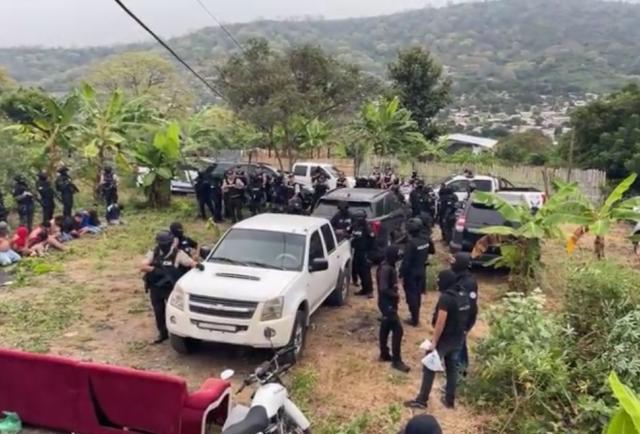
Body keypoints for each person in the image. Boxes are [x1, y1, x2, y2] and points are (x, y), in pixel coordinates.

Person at [405, 270, 470, 410]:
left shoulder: (446, 298)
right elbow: (469, 315)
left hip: (444, 339)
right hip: (458, 338)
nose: (437, 282)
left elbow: (441, 322)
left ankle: (421, 400)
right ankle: (449, 400)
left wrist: (434, 342)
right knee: (452, 368)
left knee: (429, 365)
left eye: (439, 280)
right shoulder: (463, 294)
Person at [140, 230, 202, 344]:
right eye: (162, 244)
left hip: (171, 289)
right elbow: (142, 266)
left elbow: (190, 263)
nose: (164, 246)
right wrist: (156, 270)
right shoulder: (154, 252)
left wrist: (199, 266)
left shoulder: (177, 253)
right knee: (158, 312)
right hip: (156, 288)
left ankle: (180, 335)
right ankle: (162, 334)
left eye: (166, 243)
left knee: (176, 312)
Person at [377, 245, 410, 373]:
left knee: (385, 326)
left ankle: (384, 353)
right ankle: (397, 361)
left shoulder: (387, 266)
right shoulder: (386, 269)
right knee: (398, 330)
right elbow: (383, 288)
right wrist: (395, 295)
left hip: (387, 303)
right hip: (387, 304)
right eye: (397, 256)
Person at [401, 218, 433, 327]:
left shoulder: (411, 243)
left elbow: (406, 261)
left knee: (411, 296)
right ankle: (416, 316)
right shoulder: (426, 239)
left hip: (411, 273)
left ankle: (414, 319)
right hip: (422, 270)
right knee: (418, 294)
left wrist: (401, 273)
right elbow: (432, 251)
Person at [451, 252, 478, 375]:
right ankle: (462, 367)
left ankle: (458, 373)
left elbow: (470, 306)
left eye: (454, 261)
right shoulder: (459, 277)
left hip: (462, 320)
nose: (451, 264)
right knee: (460, 344)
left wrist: (467, 325)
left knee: (458, 345)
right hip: (457, 318)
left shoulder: (468, 283)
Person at [351, 209, 375, 298]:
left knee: (366, 272)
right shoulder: (355, 226)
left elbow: (372, 240)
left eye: (359, 218)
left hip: (365, 252)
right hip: (357, 251)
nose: (358, 220)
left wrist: (370, 255)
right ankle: (364, 289)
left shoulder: (367, 227)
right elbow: (350, 233)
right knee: (359, 270)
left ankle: (370, 291)